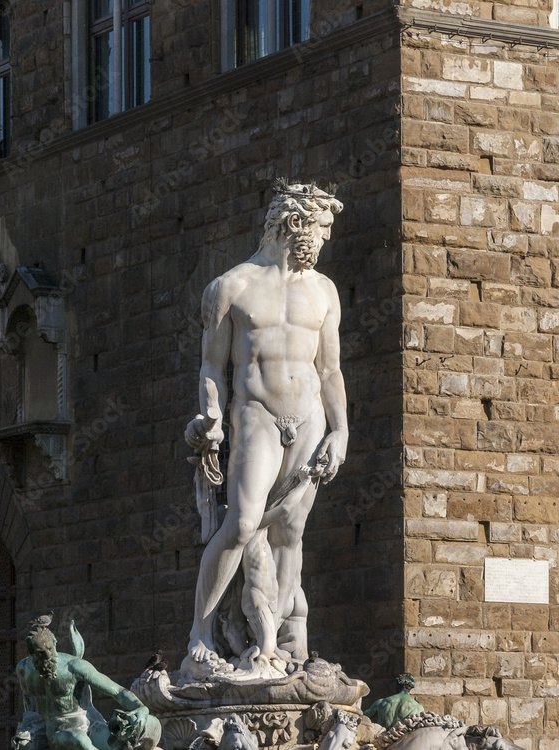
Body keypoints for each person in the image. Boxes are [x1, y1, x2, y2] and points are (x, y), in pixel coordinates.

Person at [184, 181, 348, 672]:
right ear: (295, 224)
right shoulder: (230, 287)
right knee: (240, 523)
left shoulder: (324, 291)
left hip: (311, 418)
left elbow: (330, 370)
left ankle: (276, 647)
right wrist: (210, 415)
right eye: (321, 229)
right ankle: (200, 638)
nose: (324, 240)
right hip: (256, 414)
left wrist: (341, 431)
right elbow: (212, 368)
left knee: (291, 531)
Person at [14, 619, 160, 750]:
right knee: (23, 744)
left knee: (85, 739)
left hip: (83, 725)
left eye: (48, 652)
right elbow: (30, 703)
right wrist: (28, 728)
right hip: (49, 729)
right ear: (31, 654)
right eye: (38, 656)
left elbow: (117, 692)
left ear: (55, 644)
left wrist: (141, 708)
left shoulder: (74, 666)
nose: (45, 659)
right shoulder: (24, 669)